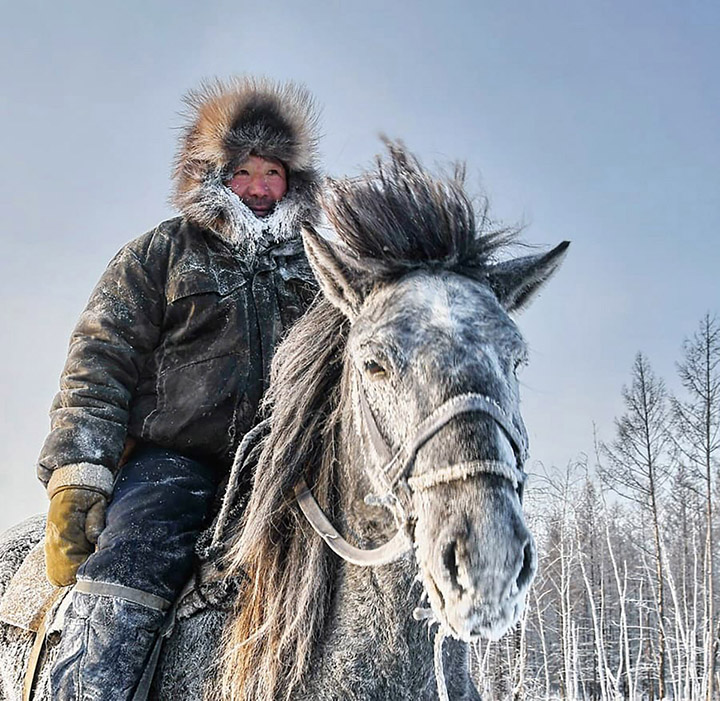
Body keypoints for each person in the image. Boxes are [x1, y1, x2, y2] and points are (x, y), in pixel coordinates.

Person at [37, 76, 322, 699]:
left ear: (292, 182)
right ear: (215, 176)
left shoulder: (321, 271)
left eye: (271, 172)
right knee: (137, 552)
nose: (257, 187)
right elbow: (101, 358)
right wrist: (79, 473)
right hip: (175, 459)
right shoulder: (164, 253)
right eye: (242, 170)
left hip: (287, 468)